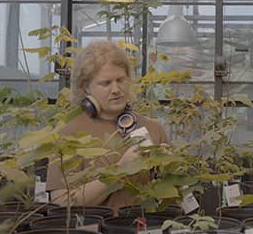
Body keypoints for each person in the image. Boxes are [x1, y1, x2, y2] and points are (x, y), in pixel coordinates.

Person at [46, 40, 168, 208]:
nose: (116, 89)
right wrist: (120, 169)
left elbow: (175, 198)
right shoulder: (68, 134)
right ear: (86, 87)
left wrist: (171, 168)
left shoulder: (153, 128)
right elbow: (62, 203)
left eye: (120, 80)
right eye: (106, 83)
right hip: (95, 232)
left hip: (147, 230)